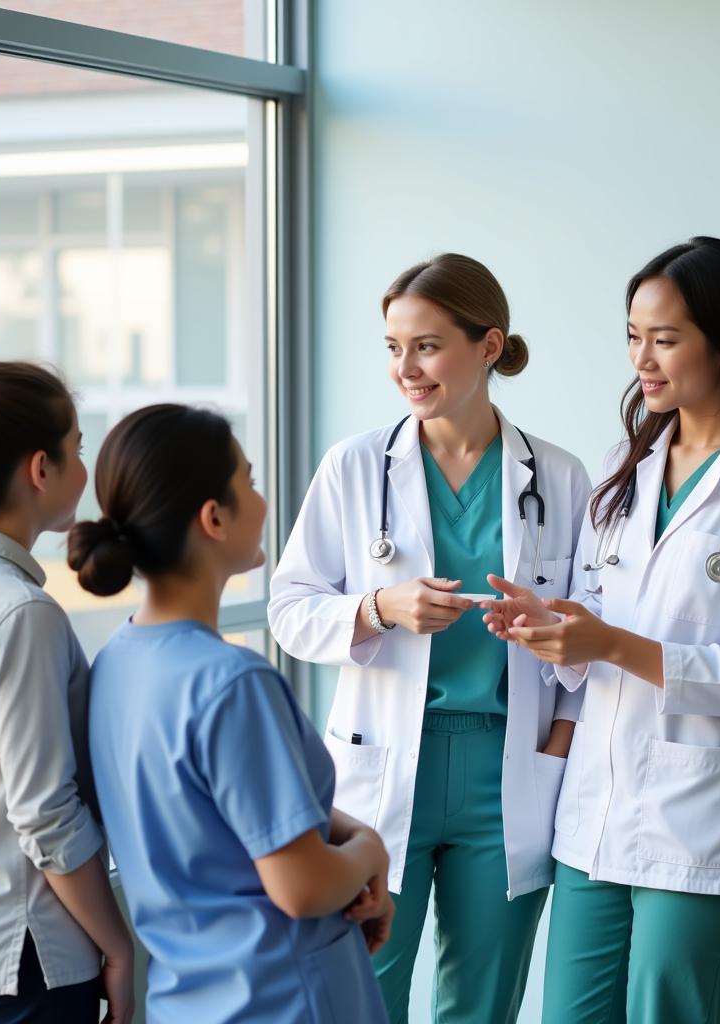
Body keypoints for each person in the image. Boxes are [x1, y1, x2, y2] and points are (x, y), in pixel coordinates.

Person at [484, 237, 720, 1024]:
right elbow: (597, 620)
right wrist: (553, 630)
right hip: (594, 816)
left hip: (698, 826)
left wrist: (608, 645)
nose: (643, 359)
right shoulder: (625, 464)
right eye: (634, 336)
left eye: (666, 339)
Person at [268, 253, 590, 1023]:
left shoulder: (561, 476)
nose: (405, 368)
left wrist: (560, 739)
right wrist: (379, 607)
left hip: (507, 771)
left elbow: (594, 634)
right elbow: (289, 608)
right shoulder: (353, 467)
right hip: (383, 769)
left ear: (488, 346)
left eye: (426, 345)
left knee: (482, 1004)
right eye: (392, 348)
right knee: (364, 991)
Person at [70, 403, 392, 1024]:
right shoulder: (232, 683)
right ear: (214, 517)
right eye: (248, 480)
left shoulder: (115, 663)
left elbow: (216, 809)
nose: (263, 499)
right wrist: (369, 852)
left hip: (186, 1003)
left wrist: (340, 831)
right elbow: (301, 889)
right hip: (286, 1000)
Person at [0, 338, 134, 1024]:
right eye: (77, 446)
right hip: (24, 960)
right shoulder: (20, 613)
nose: (84, 463)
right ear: (41, 468)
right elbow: (46, 815)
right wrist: (118, 947)